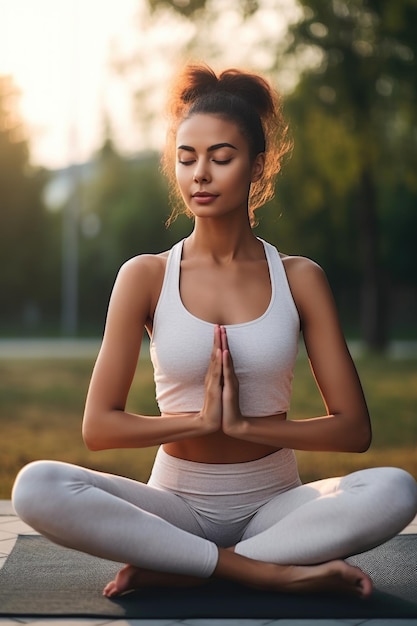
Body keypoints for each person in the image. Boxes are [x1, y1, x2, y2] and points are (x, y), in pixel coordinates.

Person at [12, 64, 417, 599]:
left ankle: (182, 566)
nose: (200, 174)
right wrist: (199, 423)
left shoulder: (300, 278)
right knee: (37, 485)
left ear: (256, 165)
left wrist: (249, 429)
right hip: (173, 507)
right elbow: (99, 428)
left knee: (395, 489)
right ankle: (257, 571)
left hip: (275, 509)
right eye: (187, 158)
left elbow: (353, 431)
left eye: (221, 158)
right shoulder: (146, 276)